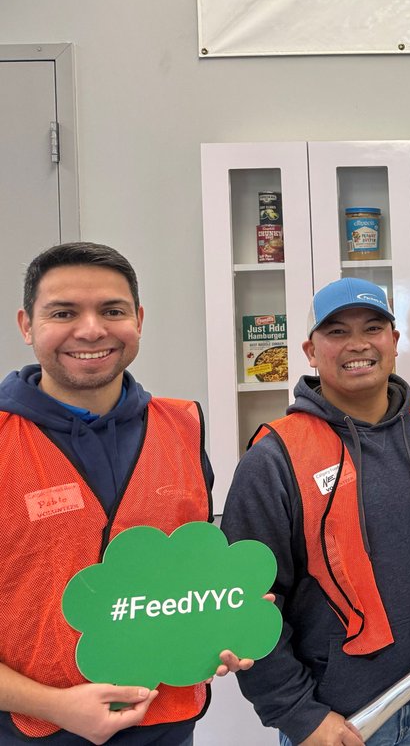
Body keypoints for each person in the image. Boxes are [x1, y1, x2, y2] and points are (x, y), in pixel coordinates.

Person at [222, 278, 410, 746]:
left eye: (374, 327)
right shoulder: (275, 458)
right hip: (337, 719)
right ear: (310, 351)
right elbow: (244, 605)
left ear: (394, 343)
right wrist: (300, 716)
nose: (358, 344)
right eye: (336, 332)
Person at [0, 242, 253, 746]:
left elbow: (186, 573)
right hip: (33, 731)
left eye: (112, 311)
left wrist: (226, 616)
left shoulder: (183, 428)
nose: (91, 329)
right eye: (64, 312)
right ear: (27, 325)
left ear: (137, 320)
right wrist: (54, 705)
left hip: (168, 723)